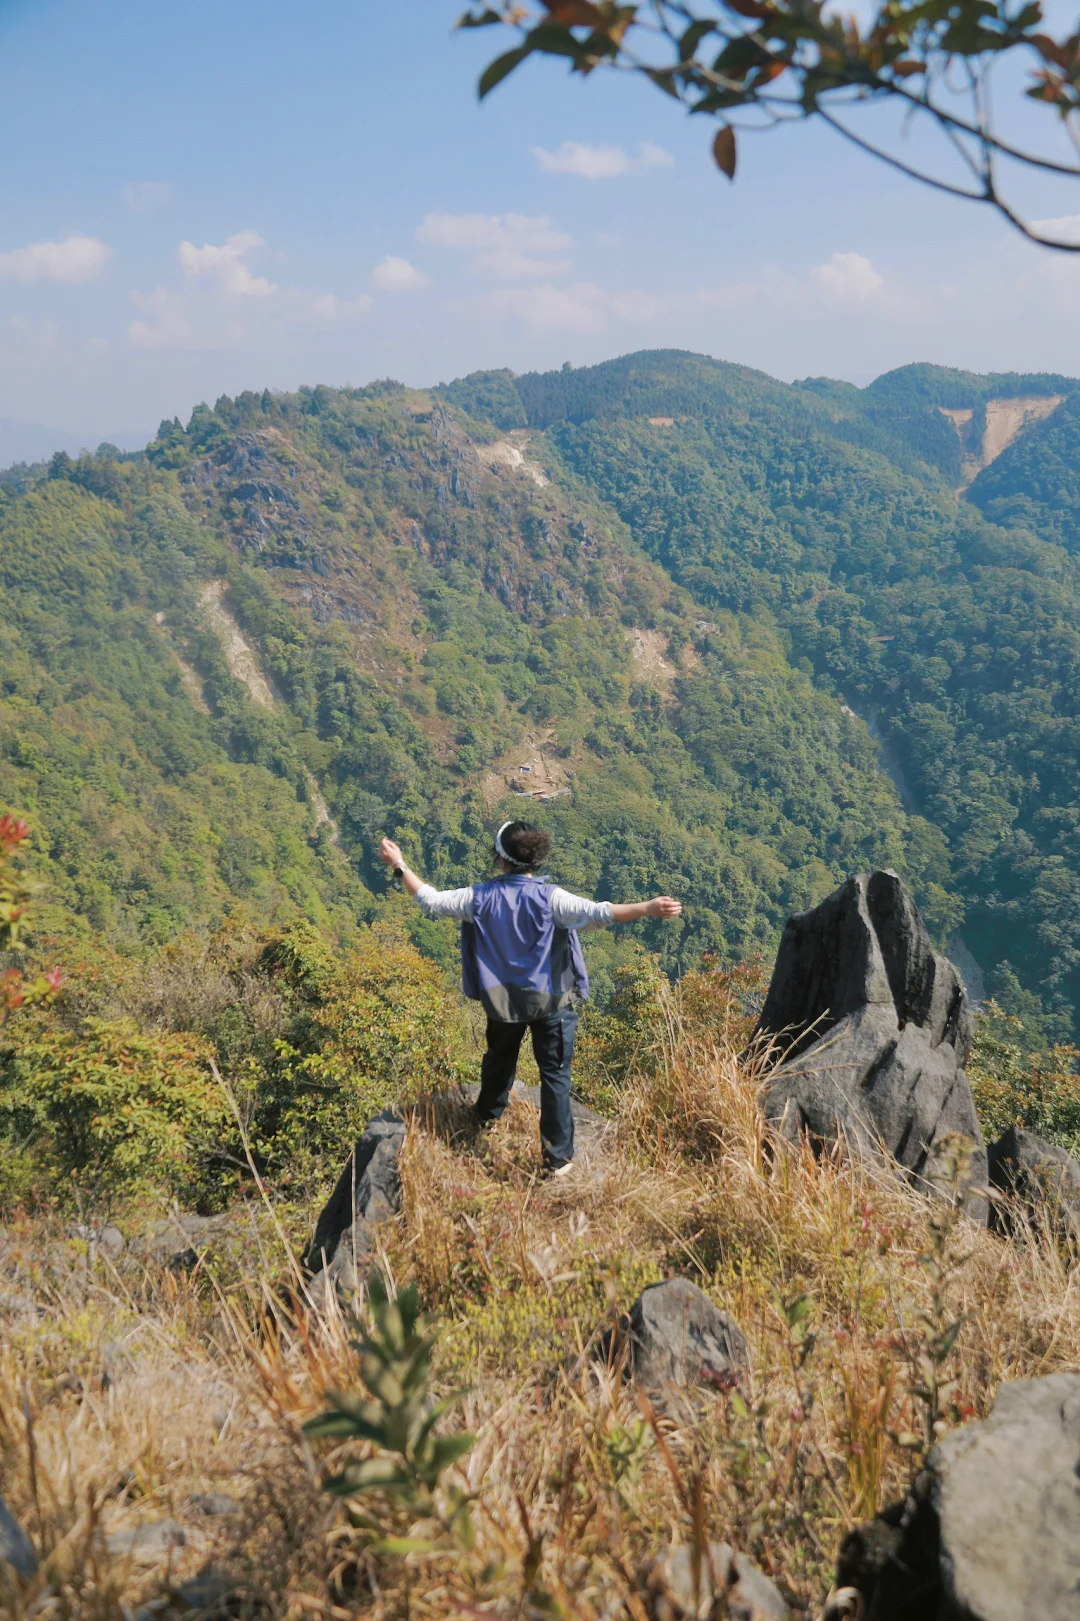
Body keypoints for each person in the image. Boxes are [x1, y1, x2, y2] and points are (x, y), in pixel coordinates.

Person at [378, 821, 682, 1176]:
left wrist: (399, 865)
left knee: (499, 1058)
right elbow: (600, 913)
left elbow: (430, 901)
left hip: (502, 1000)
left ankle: (486, 1115)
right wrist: (648, 907)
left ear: (501, 860)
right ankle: (557, 1160)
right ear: (535, 862)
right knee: (554, 1075)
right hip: (551, 1000)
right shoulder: (551, 898)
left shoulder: (479, 898)